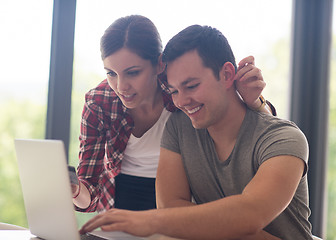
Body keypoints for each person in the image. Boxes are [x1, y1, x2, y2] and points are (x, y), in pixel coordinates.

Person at [79, 24, 312, 240]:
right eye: (173, 91)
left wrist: (153, 221)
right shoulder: (179, 128)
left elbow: (250, 213)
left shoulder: (284, 139)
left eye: (191, 86)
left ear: (228, 75)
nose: (181, 101)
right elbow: (170, 208)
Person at [72, 15, 275, 213]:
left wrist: (255, 101)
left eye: (133, 72)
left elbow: (255, 126)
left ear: (160, 64)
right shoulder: (99, 103)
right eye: (111, 73)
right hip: (119, 202)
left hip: (184, 197)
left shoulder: (181, 91)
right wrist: (73, 190)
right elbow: (90, 194)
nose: (121, 86)